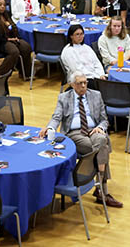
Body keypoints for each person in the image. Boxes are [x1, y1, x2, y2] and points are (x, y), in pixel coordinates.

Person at [40, 72, 121, 208]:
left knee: (101, 139)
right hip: (74, 133)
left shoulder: (96, 95)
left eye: (85, 82)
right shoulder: (64, 98)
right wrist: (49, 128)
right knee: (103, 146)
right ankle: (102, 190)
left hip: (93, 130)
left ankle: (100, 189)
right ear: (72, 85)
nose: (83, 86)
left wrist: (100, 127)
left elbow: (104, 119)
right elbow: (56, 117)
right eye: (80, 83)